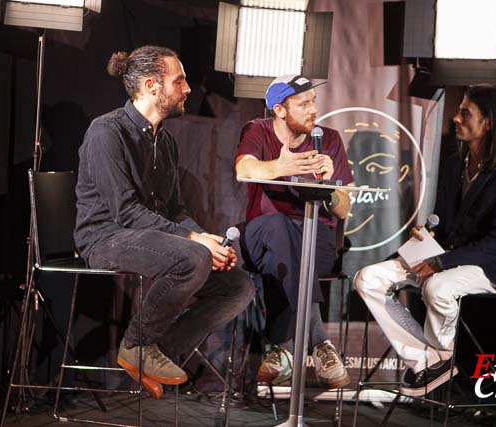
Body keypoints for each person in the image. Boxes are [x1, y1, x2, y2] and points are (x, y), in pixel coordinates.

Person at [74, 46, 254, 399]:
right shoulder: (106, 132)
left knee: (239, 285)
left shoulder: (165, 141)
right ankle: (137, 345)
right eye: (180, 80)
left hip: (147, 237)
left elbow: (173, 209)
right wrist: (194, 242)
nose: (188, 89)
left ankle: (159, 353)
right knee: (194, 257)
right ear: (152, 85)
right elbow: (125, 212)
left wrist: (206, 237)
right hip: (104, 238)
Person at [354, 84, 496, 396]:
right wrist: (426, 235)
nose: (455, 118)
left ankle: (436, 362)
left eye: (466, 113)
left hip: (486, 266)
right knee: (368, 278)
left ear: (488, 122)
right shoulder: (455, 163)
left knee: (437, 287)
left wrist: (440, 262)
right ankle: (427, 361)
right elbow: (444, 222)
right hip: (443, 256)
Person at [235, 75, 352, 389]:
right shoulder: (257, 130)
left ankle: (283, 350)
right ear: (279, 110)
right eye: (303, 104)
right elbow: (244, 169)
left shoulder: (329, 139)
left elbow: (344, 209)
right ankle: (320, 342)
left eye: (313, 101)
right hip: (264, 236)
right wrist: (282, 167)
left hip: (316, 239)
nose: (313, 109)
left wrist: (329, 187)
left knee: (294, 253)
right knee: (279, 227)